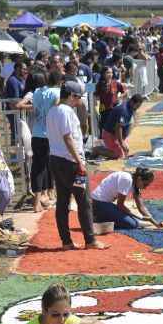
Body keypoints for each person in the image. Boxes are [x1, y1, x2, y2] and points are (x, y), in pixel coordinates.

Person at [46, 81, 108, 251]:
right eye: (79, 96)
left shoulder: (53, 110)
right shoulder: (65, 111)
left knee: (63, 201)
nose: (80, 100)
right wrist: (79, 161)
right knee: (84, 201)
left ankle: (66, 241)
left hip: (56, 159)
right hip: (70, 162)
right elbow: (68, 138)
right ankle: (90, 240)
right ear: (72, 96)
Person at [90, 168, 163, 230]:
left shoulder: (135, 183)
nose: (145, 187)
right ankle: (99, 220)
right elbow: (120, 205)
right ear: (139, 179)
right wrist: (136, 216)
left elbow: (141, 207)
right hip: (98, 203)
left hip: (102, 203)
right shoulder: (127, 179)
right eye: (145, 184)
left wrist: (156, 224)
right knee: (131, 224)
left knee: (131, 221)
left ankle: (100, 218)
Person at [31, 71, 61, 213]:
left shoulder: (37, 92)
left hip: (36, 133)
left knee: (39, 167)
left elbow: (35, 110)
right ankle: (39, 200)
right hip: (49, 134)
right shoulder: (56, 93)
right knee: (42, 167)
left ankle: (44, 196)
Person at [95, 94, 145, 160]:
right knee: (119, 155)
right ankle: (97, 150)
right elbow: (118, 128)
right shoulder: (124, 110)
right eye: (137, 106)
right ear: (132, 102)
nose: (137, 108)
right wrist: (121, 143)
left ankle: (109, 147)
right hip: (110, 135)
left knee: (126, 151)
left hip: (116, 135)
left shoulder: (129, 106)